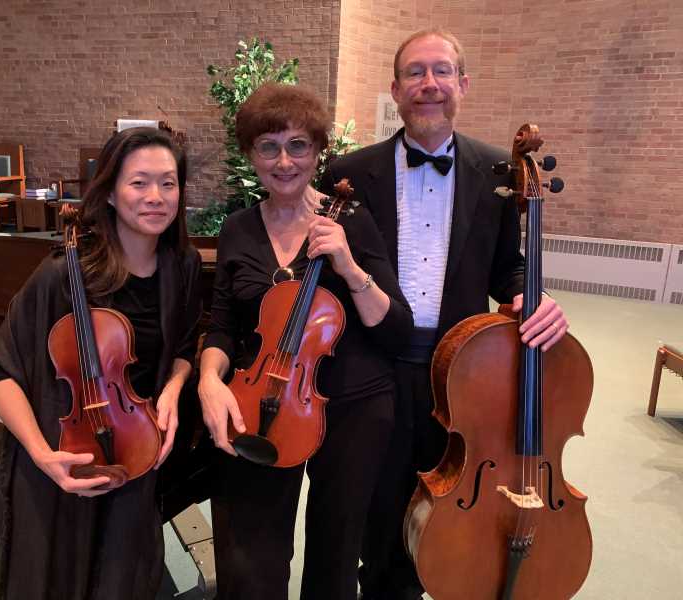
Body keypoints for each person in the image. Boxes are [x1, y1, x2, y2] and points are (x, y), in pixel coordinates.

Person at [320, 28, 570, 600]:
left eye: (441, 72)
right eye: (415, 73)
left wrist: (534, 297)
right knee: (376, 509)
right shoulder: (350, 172)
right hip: (373, 369)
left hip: (460, 374)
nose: (428, 85)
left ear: (463, 83)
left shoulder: (497, 172)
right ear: (396, 88)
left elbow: (508, 267)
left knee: (446, 506)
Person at [197, 82, 412, 600]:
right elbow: (223, 322)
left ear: (318, 153)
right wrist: (208, 378)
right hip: (267, 398)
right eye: (268, 146)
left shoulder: (351, 220)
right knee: (255, 549)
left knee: (336, 549)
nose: (284, 161)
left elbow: (396, 327)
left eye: (298, 145)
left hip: (353, 404)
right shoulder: (239, 229)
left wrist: (349, 264)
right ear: (250, 153)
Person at [0, 127, 201, 600]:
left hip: (135, 454)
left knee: (125, 581)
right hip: (63, 457)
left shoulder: (181, 265)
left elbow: (184, 348)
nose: (156, 197)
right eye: (139, 182)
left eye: (168, 183)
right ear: (111, 193)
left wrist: (172, 391)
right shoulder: (63, 272)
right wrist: (44, 457)